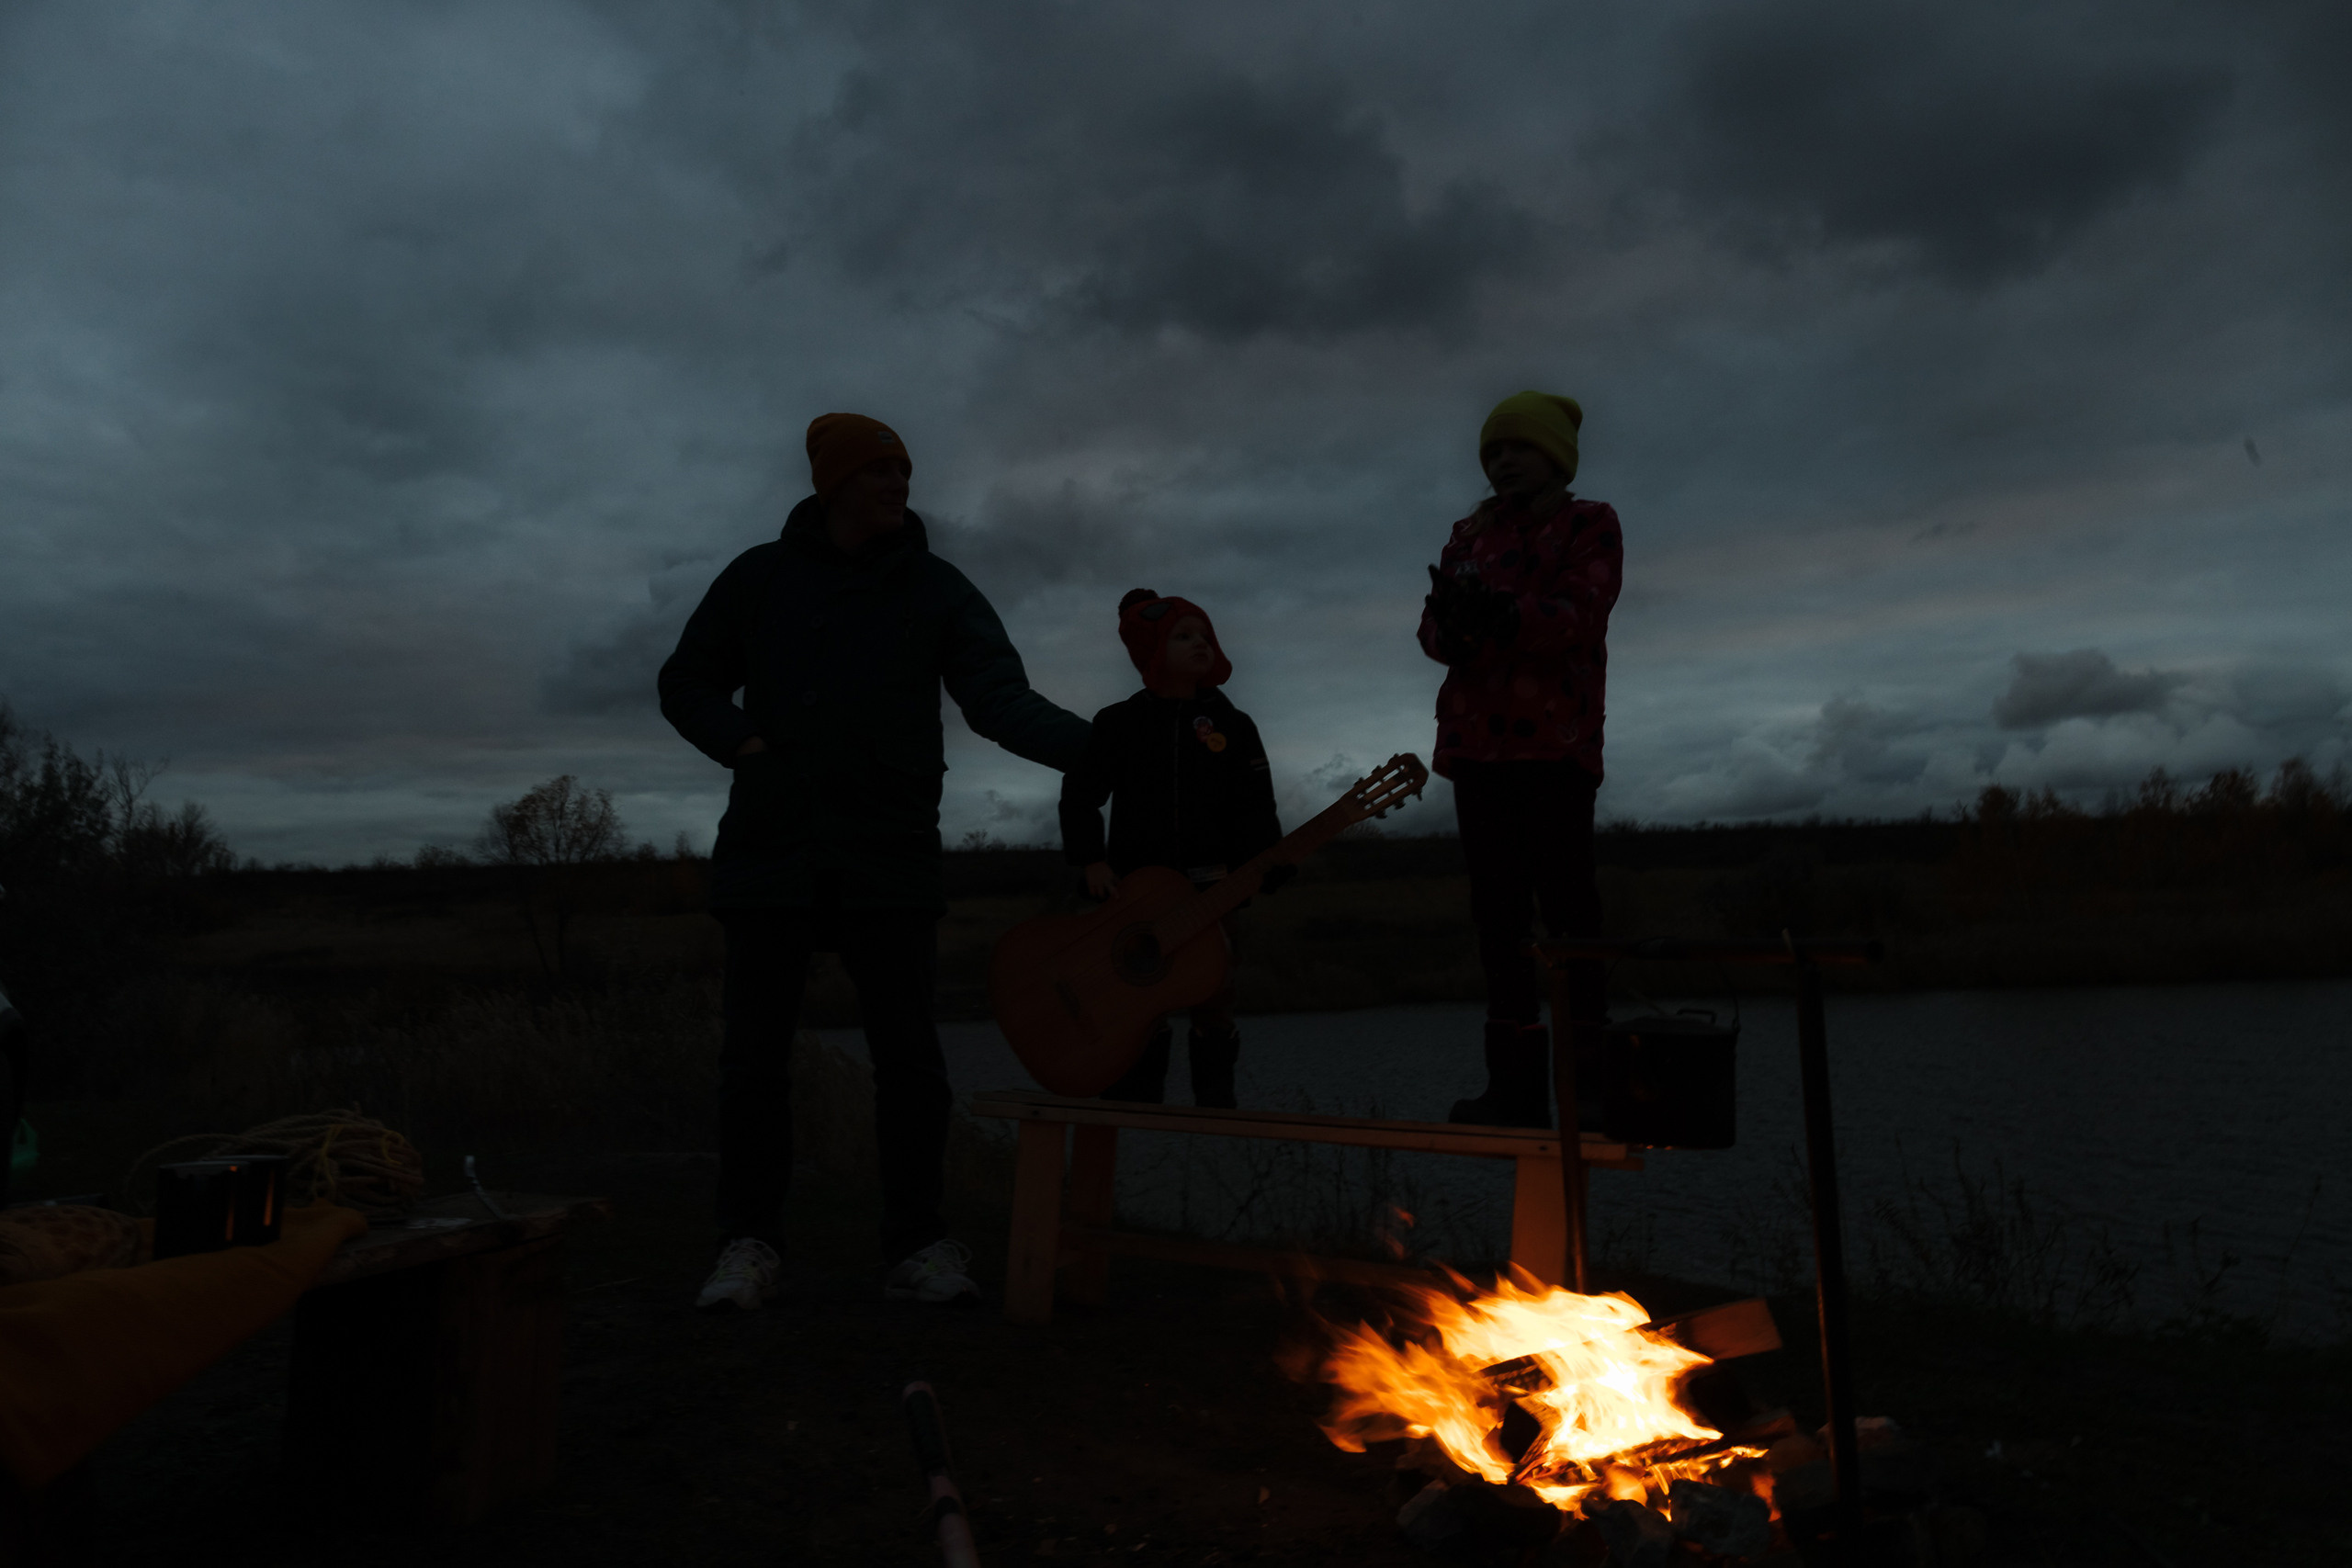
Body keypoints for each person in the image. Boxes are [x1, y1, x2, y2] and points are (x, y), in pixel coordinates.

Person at [659, 412, 1091, 1311]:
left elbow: (1000, 700)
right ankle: (747, 1244)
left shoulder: (936, 590)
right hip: (772, 853)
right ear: (832, 485)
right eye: (879, 471)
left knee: (910, 1062)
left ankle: (918, 1245)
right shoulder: (760, 580)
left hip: (888, 855)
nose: (899, 484)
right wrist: (744, 748)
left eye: (903, 469)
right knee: (753, 1064)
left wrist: (1103, 753)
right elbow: (686, 680)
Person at [1418, 391, 1623, 1128]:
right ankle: (1513, 1089)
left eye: (1518, 448)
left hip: (1556, 747)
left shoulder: (1590, 522)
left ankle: (1590, 1086)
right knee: (1496, 920)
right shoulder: (1466, 534)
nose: (1503, 460)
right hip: (1478, 748)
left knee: (1571, 914)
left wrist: (1499, 617)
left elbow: (1579, 615)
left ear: (1555, 457)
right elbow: (1431, 633)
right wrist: (1459, 631)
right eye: (1493, 451)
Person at [1057, 590, 1286, 1107]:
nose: (1199, 645)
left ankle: (1216, 1100)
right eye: (1183, 636)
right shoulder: (1119, 723)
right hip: (1135, 891)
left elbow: (1256, 805)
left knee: (1214, 992)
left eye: (1204, 635)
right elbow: (1080, 795)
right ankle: (1138, 1097)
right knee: (1139, 996)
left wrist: (1267, 861)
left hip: (1216, 888)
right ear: (1151, 653)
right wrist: (1091, 860)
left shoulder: (1235, 726)